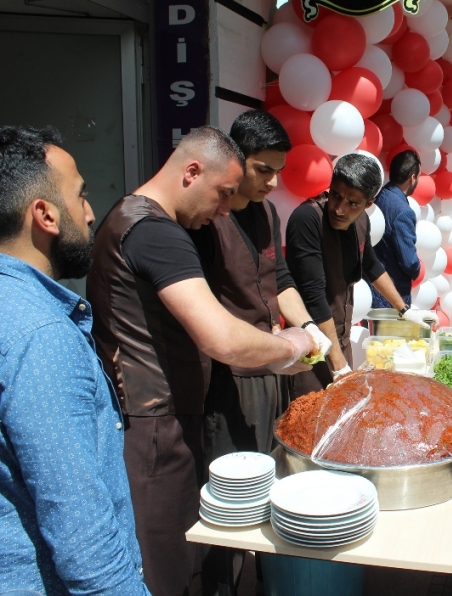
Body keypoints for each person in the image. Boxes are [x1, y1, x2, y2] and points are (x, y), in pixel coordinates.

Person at [87, 126, 318, 596]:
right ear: (192, 171)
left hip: (163, 417)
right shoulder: (155, 232)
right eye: (224, 194)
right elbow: (223, 338)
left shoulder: (138, 220)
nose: (225, 210)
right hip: (152, 422)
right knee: (164, 561)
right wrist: (292, 345)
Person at [0, 126, 150, 595]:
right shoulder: (41, 337)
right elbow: (84, 540)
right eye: (80, 196)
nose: (89, 214)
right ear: (44, 214)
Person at [188, 111, 332, 593]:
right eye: (262, 170)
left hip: (274, 367)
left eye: (278, 171)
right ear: (236, 159)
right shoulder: (210, 217)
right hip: (228, 376)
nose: (272, 182)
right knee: (232, 499)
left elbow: (281, 281)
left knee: (272, 479)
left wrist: (310, 328)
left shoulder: (268, 213)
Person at [286, 153, 432, 394]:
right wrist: (339, 366)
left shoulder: (362, 221)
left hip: (339, 341)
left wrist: (404, 310)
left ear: (369, 203)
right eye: (336, 195)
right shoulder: (307, 219)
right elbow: (313, 296)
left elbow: (372, 266)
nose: (339, 209)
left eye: (352, 203)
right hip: (310, 349)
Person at [370, 150, 421, 308]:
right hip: (393, 294)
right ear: (412, 178)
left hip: (373, 285)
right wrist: (417, 267)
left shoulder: (379, 196)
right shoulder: (403, 212)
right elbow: (409, 262)